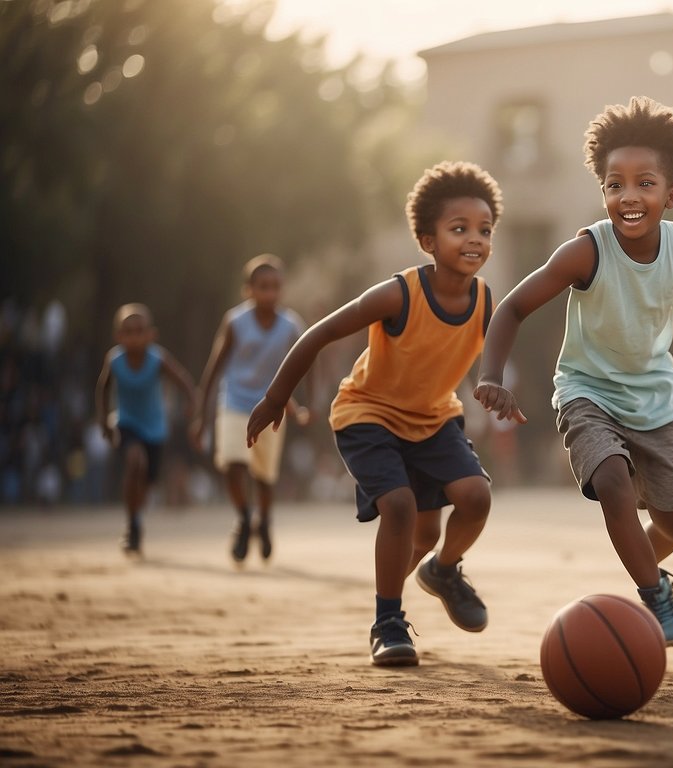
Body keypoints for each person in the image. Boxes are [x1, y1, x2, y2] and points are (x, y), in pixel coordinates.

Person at [473, 97, 673, 647]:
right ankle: (655, 594)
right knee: (611, 482)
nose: (627, 196)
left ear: (671, 195)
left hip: (654, 401)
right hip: (587, 393)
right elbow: (510, 307)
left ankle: (642, 572)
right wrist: (493, 374)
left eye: (644, 183)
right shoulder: (587, 251)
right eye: (614, 184)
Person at [247, 161, 503, 667]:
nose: (474, 239)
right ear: (428, 240)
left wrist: (493, 387)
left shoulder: (484, 302)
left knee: (471, 502)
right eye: (459, 229)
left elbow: (476, 360)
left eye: (484, 230)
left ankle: (443, 570)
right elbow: (318, 334)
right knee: (403, 512)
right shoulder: (399, 293)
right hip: (369, 414)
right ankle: (387, 622)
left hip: (433, 419)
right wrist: (277, 397)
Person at [193, 255, 309, 565]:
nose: (269, 293)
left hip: (272, 406)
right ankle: (245, 520)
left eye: (275, 287)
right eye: (262, 287)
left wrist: (301, 404)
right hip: (234, 402)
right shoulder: (235, 322)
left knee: (264, 477)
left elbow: (306, 365)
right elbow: (214, 367)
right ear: (249, 290)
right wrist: (201, 416)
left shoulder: (291, 326)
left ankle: (265, 521)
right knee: (233, 465)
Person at [95, 304, 197, 556]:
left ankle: (136, 519)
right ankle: (132, 525)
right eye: (128, 331)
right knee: (134, 461)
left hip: (155, 429)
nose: (134, 336)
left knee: (148, 482)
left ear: (151, 334)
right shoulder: (115, 360)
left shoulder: (157, 359)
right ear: (119, 336)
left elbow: (183, 380)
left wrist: (193, 406)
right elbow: (103, 389)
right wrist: (104, 421)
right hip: (126, 423)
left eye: (140, 330)